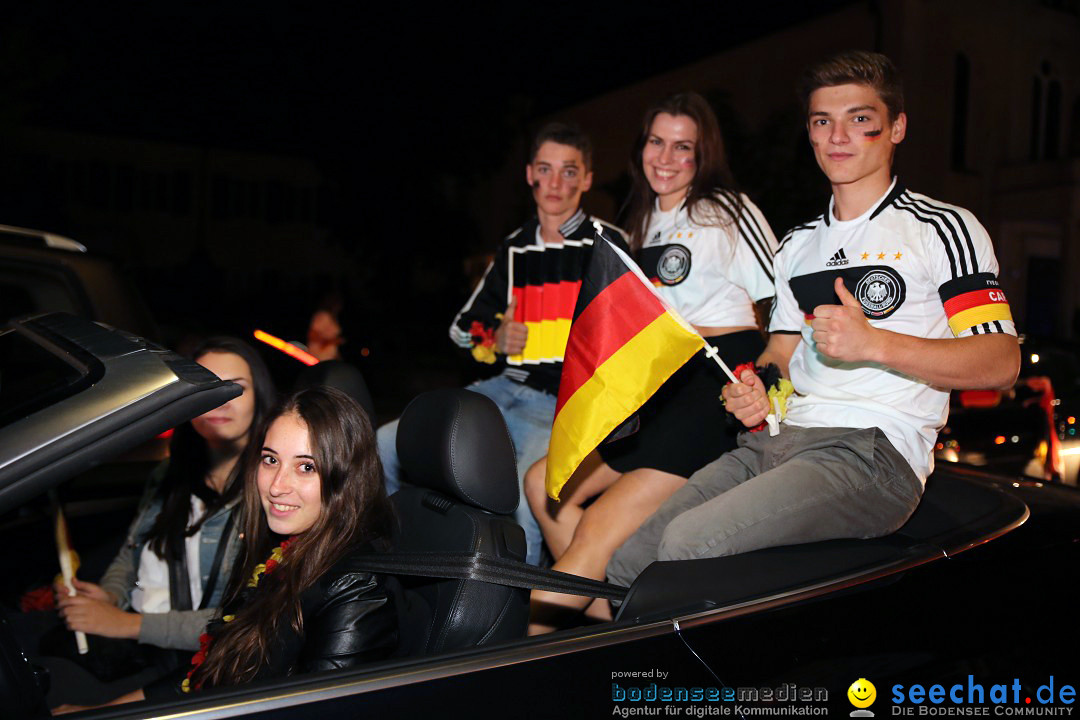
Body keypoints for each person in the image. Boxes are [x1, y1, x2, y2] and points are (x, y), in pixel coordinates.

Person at [607, 51, 1020, 588]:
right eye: (823, 121)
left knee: (687, 545)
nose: (838, 136)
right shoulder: (798, 245)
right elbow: (779, 353)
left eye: (860, 120)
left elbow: (1001, 361)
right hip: (777, 440)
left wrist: (875, 343)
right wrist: (756, 387)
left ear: (896, 128)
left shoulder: (943, 228)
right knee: (626, 561)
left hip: (872, 452)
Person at [525, 92, 778, 631]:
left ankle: (515, 656)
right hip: (659, 384)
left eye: (682, 146)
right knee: (542, 481)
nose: (665, 157)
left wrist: (771, 381)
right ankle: (607, 621)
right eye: (656, 142)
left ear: (702, 154)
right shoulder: (641, 220)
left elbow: (784, 301)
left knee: (598, 527)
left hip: (716, 381)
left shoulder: (727, 209)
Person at [376, 122, 627, 565]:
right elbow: (460, 329)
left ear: (587, 179)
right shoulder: (513, 248)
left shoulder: (608, 243)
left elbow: (628, 334)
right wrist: (495, 337)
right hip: (499, 389)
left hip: (560, 402)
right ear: (530, 173)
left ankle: (517, 621)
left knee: (521, 494)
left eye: (569, 172)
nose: (555, 184)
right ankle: (390, 568)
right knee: (386, 444)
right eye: (545, 169)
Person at [80, 386, 399, 708]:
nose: (276, 486)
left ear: (346, 477)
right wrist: (104, 711)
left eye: (306, 467)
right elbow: (210, 668)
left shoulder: (357, 586)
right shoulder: (281, 552)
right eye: (270, 460)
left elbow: (322, 710)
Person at [56, 338, 275, 654]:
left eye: (236, 387)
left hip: (199, 660)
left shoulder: (270, 491)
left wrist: (124, 624)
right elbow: (132, 554)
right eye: (208, 385)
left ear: (260, 398)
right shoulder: (170, 473)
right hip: (136, 643)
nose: (221, 398)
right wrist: (109, 596)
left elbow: (248, 620)